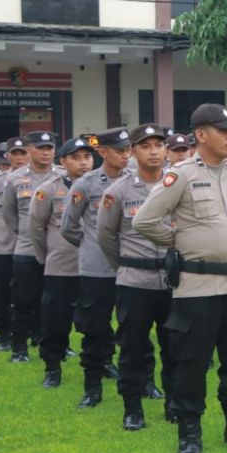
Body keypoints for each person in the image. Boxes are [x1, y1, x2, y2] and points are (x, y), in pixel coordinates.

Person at [132, 103, 227, 453]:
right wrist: (179, 240)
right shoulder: (182, 175)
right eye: (223, 130)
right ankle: (190, 433)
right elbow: (144, 220)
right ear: (201, 135)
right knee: (192, 361)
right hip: (198, 288)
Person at [97, 124, 176, 430]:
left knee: (175, 347)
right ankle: (132, 407)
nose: (154, 151)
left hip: (173, 279)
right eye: (146, 146)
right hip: (134, 281)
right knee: (132, 347)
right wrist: (126, 266)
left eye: (159, 145)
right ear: (132, 152)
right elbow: (106, 237)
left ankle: (174, 402)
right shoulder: (118, 192)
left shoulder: (176, 186)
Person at [60, 128, 131, 395]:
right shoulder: (86, 184)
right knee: (94, 325)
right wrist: (93, 244)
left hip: (130, 266)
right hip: (97, 268)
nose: (126, 156)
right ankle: (93, 386)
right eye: (120, 151)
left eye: (128, 150)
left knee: (133, 327)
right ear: (102, 152)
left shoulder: (135, 181)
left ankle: (139, 379)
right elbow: (68, 227)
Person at [30, 136, 93, 394]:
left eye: (87, 157)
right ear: (63, 161)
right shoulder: (48, 189)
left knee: (97, 322)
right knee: (55, 322)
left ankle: (102, 362)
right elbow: (35, 228)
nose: (83, 163)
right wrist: (48, 257)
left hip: (94, 267)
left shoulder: (101, 186)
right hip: (61, 266)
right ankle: (53, 367)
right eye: (76, 158)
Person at [0, 132, 61, 363]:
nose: (46, 152)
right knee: (23, 301)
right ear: (29, 150)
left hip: (56, 250)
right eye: (40, 147)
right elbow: (9, 214)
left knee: (54, 302)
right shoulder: (14, 179)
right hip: (26, 249)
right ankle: (19, 349)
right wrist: (25, 233)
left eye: (50, 147)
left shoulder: (63, 176)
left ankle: (51, 344)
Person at [0, 137, 29, 352]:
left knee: (31, 292)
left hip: (30, 245)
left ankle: (36, 332)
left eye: (23, 153)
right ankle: (5, 333)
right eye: (14, 154)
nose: (19, 158)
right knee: (2, 292)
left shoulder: (47, 179)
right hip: (3, 244)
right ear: (7, 156)